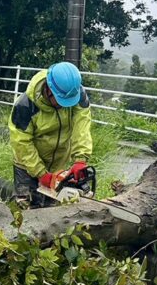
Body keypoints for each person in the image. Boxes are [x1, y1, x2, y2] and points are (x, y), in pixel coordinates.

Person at [8, 61, 93, 209]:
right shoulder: (26, 105)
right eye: (61, 101)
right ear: (49, 89)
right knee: (24, 207)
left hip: (58, 162)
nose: (64, 106)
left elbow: (82, 125)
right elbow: (21, 142)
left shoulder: (76, 93)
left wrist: (80, 159)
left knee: (51, 210)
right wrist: (41, 174)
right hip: (28, 163)